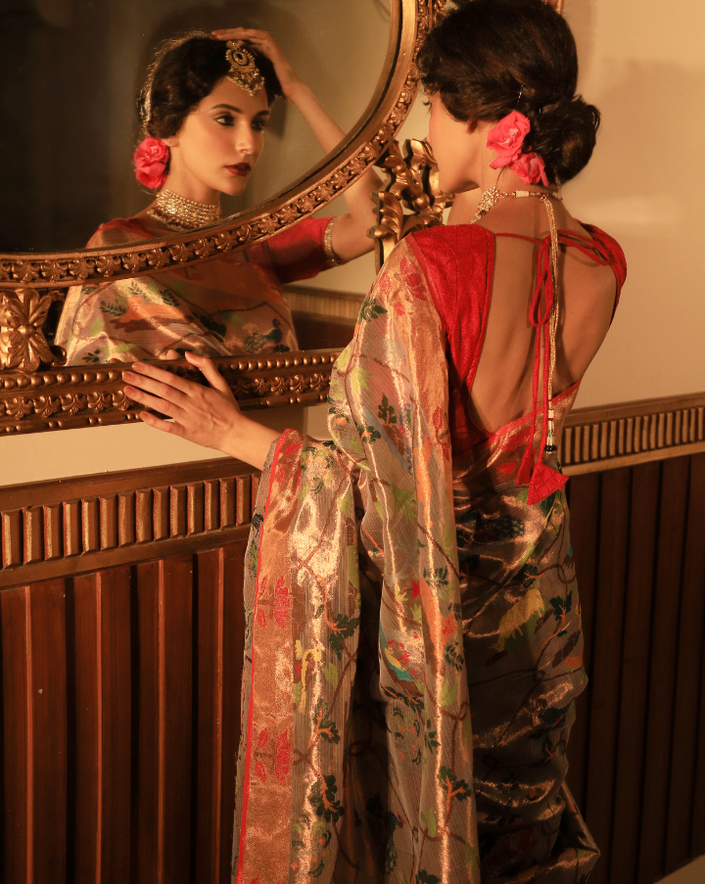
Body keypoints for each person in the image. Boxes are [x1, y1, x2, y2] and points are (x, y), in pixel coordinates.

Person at [124, 1, 626, 880]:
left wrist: (235, 433)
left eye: (432, 105)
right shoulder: (601, 259)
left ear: (483, 122)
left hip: (444, 621)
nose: (427, 130)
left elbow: (381, 494)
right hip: (540, 607)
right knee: (521, 836)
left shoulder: (431, 268)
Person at [55, 28, 380, 364]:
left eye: (258, 124)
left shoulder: (254, 249)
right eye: (225, 119)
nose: (249, 145)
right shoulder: (119, 247)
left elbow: (376, 219)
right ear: (168, 127)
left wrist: (299, 92)